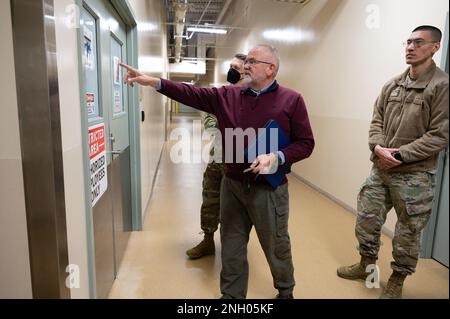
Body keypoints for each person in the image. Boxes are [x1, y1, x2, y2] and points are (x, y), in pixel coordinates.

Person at [120, 44, 314, 299]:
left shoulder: (291, 100)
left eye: (252, 61)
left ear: (270, 69)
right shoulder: (227, 96)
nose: (245, 66)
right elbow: (190, 93)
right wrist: (155, 82)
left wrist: (277, 157)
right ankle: (232, 297)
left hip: (269, 189)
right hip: (231, 185)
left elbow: (306, 143)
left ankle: (285, 291)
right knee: (232, 245)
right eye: (246, 61)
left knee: (276, 245)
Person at [337, 25, 449, 299]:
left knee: (408, 231)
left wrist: (398, 155)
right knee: (366, 219)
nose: (410, 47)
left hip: (414, 175)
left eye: (419, 42)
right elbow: (376, 119)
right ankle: (366, 264)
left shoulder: (442, 86)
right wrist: (377, 148)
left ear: (435, 47)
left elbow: (440, 135)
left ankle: (397, 279)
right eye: (408, 42)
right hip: (381, 169)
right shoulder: (392, 84)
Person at [186, 53, 247, 259]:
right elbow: (211, 124)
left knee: (237, 206)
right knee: (210, 197)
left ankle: (234, 246)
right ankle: (208, 241)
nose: (231, 70)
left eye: (236, 67)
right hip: (218, 156)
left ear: (246, 71)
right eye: (230, 65)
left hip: (241, 160)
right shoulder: (220, 95)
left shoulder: (255, 97)